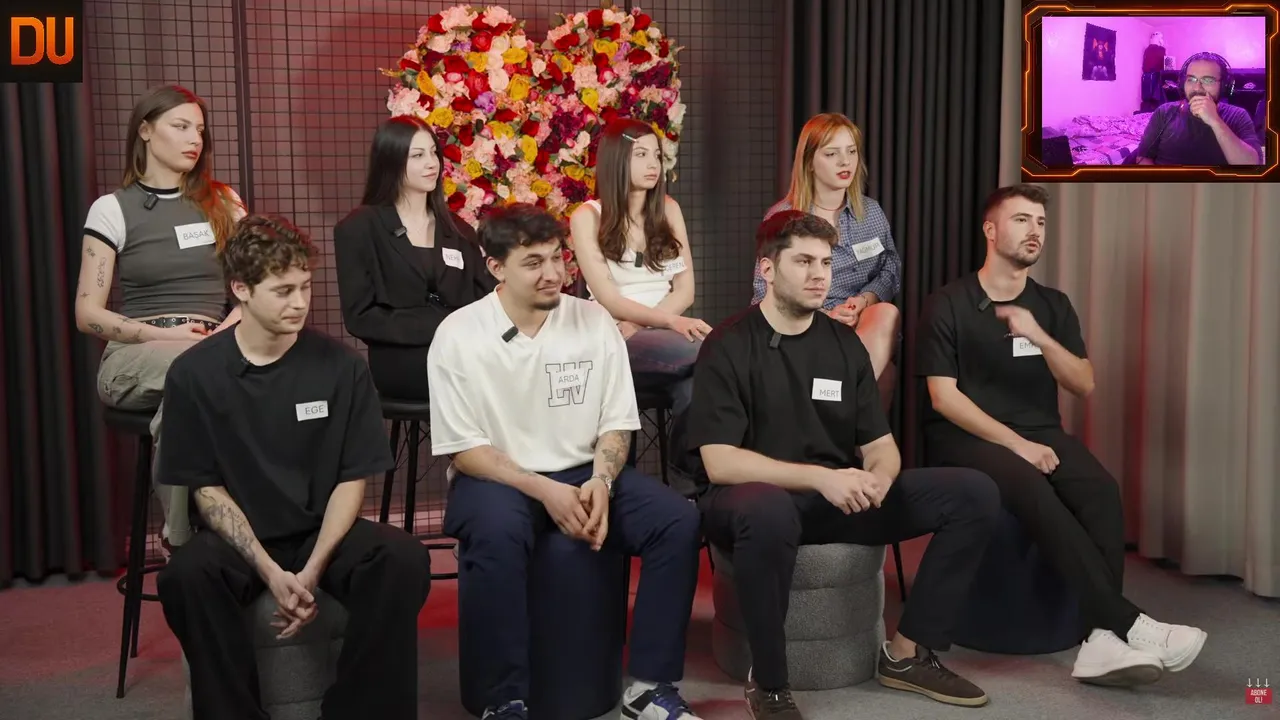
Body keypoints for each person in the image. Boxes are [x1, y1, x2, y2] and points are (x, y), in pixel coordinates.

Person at [691, 210, 999, 719]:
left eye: (826, 263)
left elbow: (880, 444)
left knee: (973, 493)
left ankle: (905, 653)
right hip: (750, 499)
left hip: (832, 499)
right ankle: (769, 684)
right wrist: (822, 478)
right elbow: (720, 462)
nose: (820, 275)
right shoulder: (728, 345)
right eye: (803, 262)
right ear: (767, 269)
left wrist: (879, 478)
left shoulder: (842, 345)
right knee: (768, 509)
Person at [916, 184, 1208, 687]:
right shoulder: (948, 303)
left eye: (1041, 223)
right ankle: (1127, 623)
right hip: (964, 437)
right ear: (990, 230)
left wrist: (1040, 337)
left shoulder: (1052, 305)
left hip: (1042, 432)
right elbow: (943, 398)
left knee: (1101, 490)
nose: (1035, 231)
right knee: (1030, 487)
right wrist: (1018, 445)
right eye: (1022, 220)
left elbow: (1083, 382)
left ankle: (1100, 641)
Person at [429, 204, 704, 720]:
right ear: (496, 267)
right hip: (498, 477)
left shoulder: (593, 321)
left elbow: (617, 422)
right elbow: (464, 449)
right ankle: (504, 700)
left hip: (584, 471)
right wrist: (544, 490)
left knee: (677, 521)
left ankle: (650, 686)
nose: (553, 273)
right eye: (533, 263)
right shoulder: (459, 333)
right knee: (495, 534)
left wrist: (602, 480)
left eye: (557, 258)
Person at [156, 215, 432, 720]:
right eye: (283, 291)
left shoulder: (342, 367)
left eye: (305, 286)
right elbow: (206, 490)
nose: (300, 302)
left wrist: (311, 570)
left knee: (403, 559)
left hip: (318, 531)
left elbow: (352, 480)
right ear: (241, 289)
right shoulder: (194, 374)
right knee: (185, 578)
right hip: (238, 538)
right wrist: (269, 570)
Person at [75, 84, 246, 550]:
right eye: (181, 126)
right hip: (137, 353)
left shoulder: (224, 202)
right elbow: (87, 314)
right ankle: (186, 538)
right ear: (146, 131)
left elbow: (253, 287)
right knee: (191, 371)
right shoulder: (112, 209)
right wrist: (165, 336)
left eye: (200, 130)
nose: (195, 139)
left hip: (214, 346)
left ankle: (223, 531)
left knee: (203, 379)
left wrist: (219, 337)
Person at [569, 118, 712, 486]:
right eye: (642, 155)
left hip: (652, 333)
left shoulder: (668, 209)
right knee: (710, 352)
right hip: (612, 336)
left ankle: (686, 486)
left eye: (657, 156)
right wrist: (669, 322)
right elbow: (608, 298)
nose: (653, 165)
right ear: (617, 160)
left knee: (696, 386)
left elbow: (685, 290)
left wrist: (644, 324)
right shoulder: (587, 217)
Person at [334, 116, 496, 400]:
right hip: (402, 361)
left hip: (464, 355)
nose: (432, 163)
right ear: (391, 161)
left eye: (434, 153)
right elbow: (360, 317)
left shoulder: (459, 230)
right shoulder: (359, 227)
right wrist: (439, 326)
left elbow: (482, 300)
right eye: (418, 156)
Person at [753, 112, 901, 380]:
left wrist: (863, 301)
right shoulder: (783, 218)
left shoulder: (871, 212)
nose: (845, 162)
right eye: (832, 154)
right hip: (804, 321)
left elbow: (890, 268)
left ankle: (845, 396)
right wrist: (825, 314)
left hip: (861, 322)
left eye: (851, 151)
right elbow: (764, 291)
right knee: (885, 376)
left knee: (886, 313)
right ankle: (850, 397)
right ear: (809, 162)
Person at [1134, 52, 1261, 166]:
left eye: (1208, 80)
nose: (1197, 88)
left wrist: (1215, 121)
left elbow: (1251, 166)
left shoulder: (1238, 115)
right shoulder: (1164, 112)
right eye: (1191, 79)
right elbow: (1143, 158)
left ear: (1224, 86)